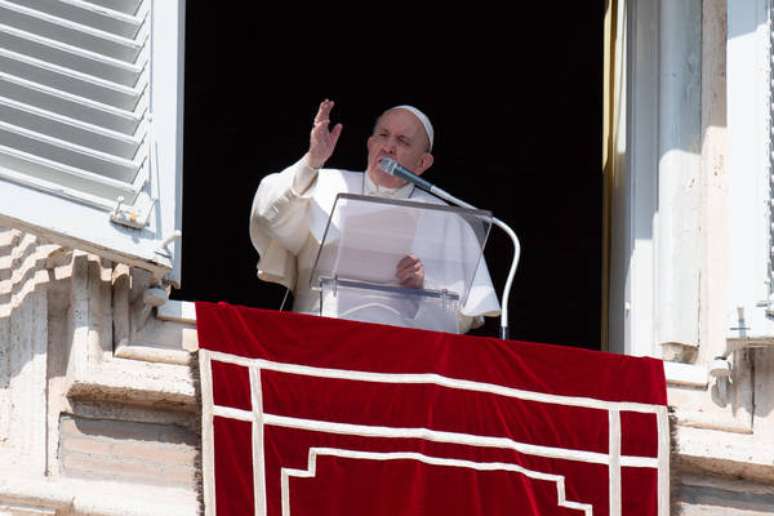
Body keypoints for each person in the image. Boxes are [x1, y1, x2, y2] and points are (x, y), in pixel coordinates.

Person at [249, 99, 500, 333]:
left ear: (423, 163)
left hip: (403, 357)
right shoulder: (323, 183)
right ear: (370, 144)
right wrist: (312, 162)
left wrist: (423, 287)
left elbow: (463, 319)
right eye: (383, 135)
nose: (389, 147)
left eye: (403, 141)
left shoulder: (447, 219)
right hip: (318, 339)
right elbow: (269, 217)